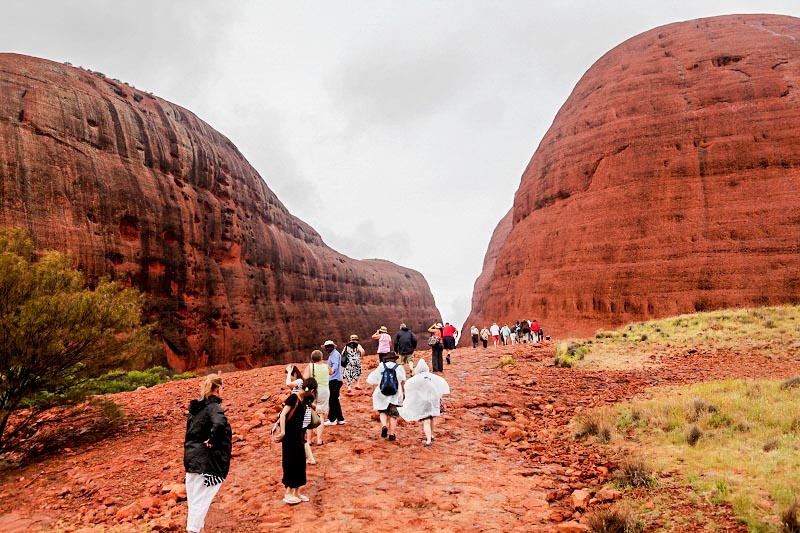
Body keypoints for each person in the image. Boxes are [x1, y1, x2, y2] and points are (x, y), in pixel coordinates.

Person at [184, 374, 232, 533]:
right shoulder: (214, 407)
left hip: (191, 459)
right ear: (218, 389)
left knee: (194, 501)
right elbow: (219, 424)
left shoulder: (196, 409)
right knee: (201, 501)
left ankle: (197, 529)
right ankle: (193, 530)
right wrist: (212, 440)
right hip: (207, 463)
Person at [276, 377, 318, 505]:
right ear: (311, 389)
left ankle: (297, 492)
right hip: (289, 437)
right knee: (290, 463)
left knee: (300, 463)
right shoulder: (294, 398)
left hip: (299, 436)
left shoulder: (305, 400)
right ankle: (288, 492)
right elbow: (283, 414)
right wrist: (283, 432)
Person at [399, 359, 450, 447]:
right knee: (431, 419)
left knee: (426, 421)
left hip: (424, 403)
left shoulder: (416, 379)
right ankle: (432, 435)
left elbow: (407, 386)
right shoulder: (432, 377)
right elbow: (442, 384)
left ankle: (428, 441)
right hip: (433, 401)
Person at [366, 352, 407, 441]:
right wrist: (404, 394)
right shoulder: (399, 368)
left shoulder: (381, 367)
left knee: (382, 411)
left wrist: (374, 391)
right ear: (395, 359)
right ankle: (392, 434)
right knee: (393, 414)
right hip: (396, 394)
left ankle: (384, 425)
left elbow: (371, 379)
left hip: (382, 394)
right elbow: (403, 381)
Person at [285, 365, 315, 464]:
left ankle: (307, 458)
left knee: (299, 437)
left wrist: (289, 372)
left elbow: (288, 384)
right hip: (304, 413)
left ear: (294, 374)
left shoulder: (299, 381)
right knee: (301, 437)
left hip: (300, 413)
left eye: (291, 375)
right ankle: (310, 458)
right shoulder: (302, 383)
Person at [304, 350, 331, 445]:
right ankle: (319, 440)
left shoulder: (310, 366)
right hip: (325, 391)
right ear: (321, 357)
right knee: (321, 415)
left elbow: (305, 377)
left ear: (312, 358)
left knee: (309, 414)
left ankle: (309, 440)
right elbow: (332, 372)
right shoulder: (326, 366)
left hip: (314, 391)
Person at [322, 340, 345, 425]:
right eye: (326, 347)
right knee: (335, 399)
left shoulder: (334, 355)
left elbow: (335, 365)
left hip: (334, 379)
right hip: (336, 379)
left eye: (329, 347)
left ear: (332, 347)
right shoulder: (334, 354)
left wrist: (331, 371)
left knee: (332, 399)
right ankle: (340, 419)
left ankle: (332, 419)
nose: (327, 348)